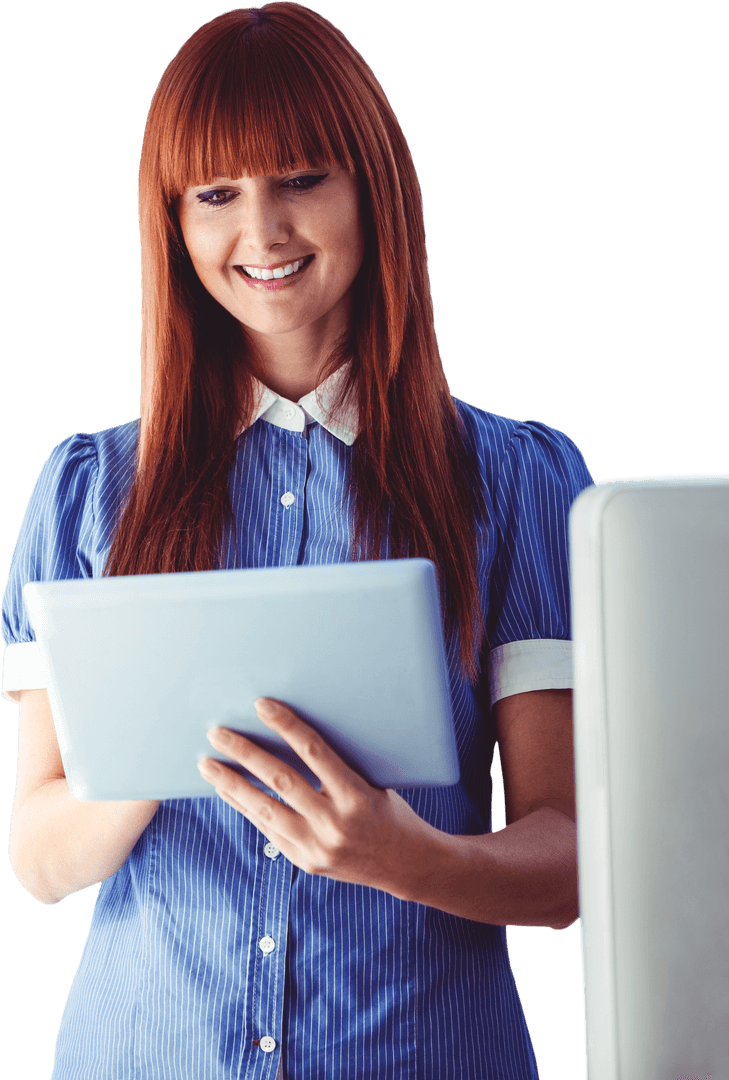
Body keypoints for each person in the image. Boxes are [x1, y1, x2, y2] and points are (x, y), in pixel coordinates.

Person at [2, 5, 593, 1078]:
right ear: (171, 224)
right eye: (216, 195)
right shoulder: (90, 492)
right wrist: (168, 726)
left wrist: (403, 859)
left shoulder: (512, 482)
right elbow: (40, 858)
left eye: (302, 179)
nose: (262, 233)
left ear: (375, 190)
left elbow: (572, 862)